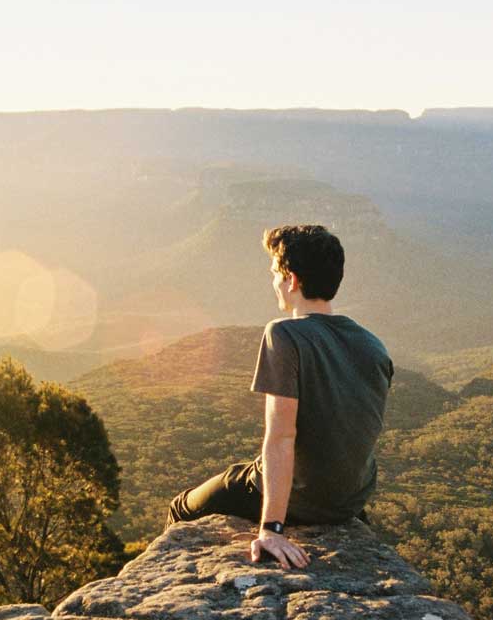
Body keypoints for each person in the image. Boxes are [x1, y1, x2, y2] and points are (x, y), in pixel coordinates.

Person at [166, 224, 394, 570]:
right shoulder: (373, 346)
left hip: (301, 500)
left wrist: (272, 528)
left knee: (181, 508)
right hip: (349, 504)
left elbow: (281, 437)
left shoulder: (285, 334)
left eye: (275, 273)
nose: (274, 282)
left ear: (292, 280)